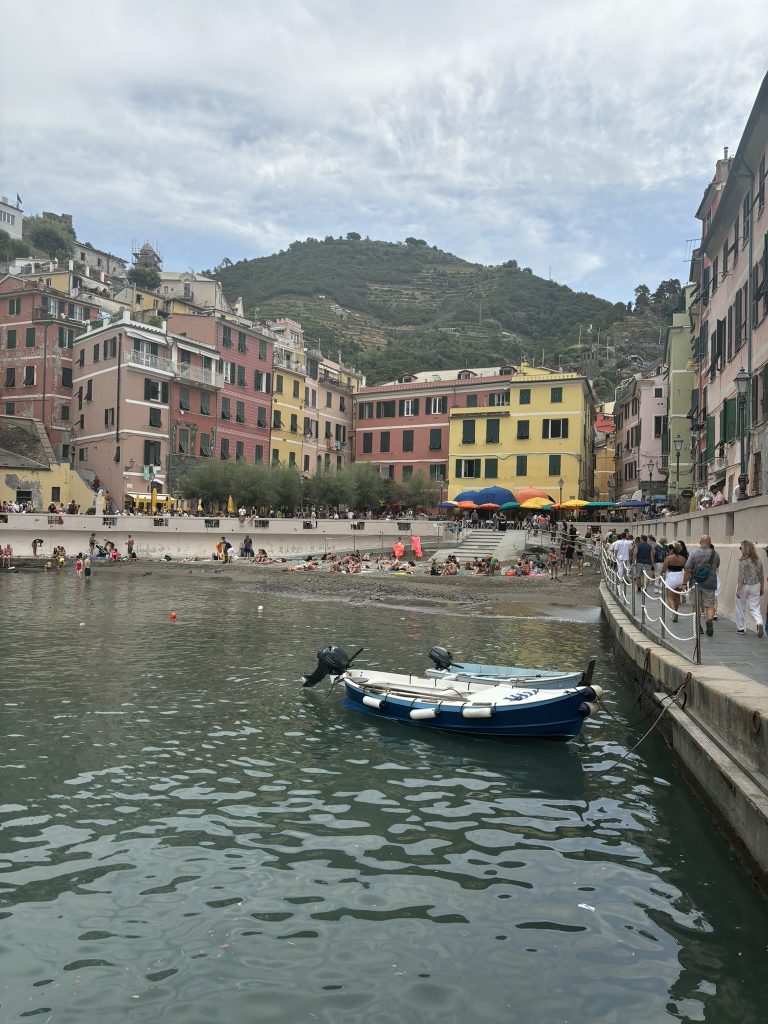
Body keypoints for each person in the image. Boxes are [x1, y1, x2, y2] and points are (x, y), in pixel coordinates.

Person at [683, 535, 720, 636]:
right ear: (710, 542)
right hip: (710, 583)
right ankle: (709, 620)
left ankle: (698, 626)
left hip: (695, 583)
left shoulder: (694, 553)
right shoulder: (715, 554)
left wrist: (684, 583)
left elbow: (687, 569)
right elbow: (717, 566)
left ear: (700, 542)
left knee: (696, 606)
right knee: (710, 605)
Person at [735, 540, 765, 637]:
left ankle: (741, 628)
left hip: (744, 585)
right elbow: (761, 576)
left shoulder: (742, 561)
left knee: (740, 606)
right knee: (755, 607)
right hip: (756, 585)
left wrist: (738, 589)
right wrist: (762, 587)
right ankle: (759, 623)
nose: (740, 549)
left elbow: (741, 577)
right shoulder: (758, 561)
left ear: (744, 549)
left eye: (741, 548)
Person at [661, 541, 688, 622]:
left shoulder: (668, 558)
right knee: (677, 597)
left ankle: (674, 613)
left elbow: (664, 570)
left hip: (671, 577)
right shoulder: (683, 558)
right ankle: (675, 612)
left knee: (670, 597)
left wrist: (660, 575)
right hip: (680, 576)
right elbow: (686, 570)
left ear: (672, 549)